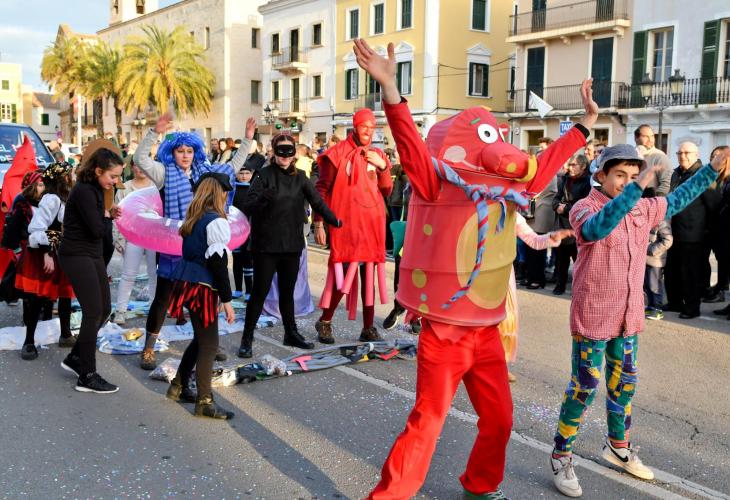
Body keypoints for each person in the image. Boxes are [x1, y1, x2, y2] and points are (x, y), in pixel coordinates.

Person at [353, 38, 596, 499]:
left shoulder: (510, 189)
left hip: (486, 329)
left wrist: (585, 124)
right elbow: (408, 143)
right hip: (445, 331)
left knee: (501, 419)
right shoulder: (435, 183)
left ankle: (480, 485)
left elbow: (546, 163)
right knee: (428, 421)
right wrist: (390, 90)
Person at [549, 144, 729, 497]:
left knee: (624, 385)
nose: (628, 183)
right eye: (621, 176)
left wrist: (711, 169)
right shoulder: (584, 209)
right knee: (584, 386)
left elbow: (677, 199)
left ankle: (618, 447)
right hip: (593, 317)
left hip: (628, 317)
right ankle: (561, 454)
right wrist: (640, 183)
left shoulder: (644, 209)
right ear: (600, 175)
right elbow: (600, 228)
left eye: (634, 177)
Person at [133, 113, 255, 370]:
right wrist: (154, 132)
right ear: (172, 152)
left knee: (205, 296)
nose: (186, 155)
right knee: (163, 299)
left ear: (196, 152)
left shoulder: (205, 171)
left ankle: (209, 342)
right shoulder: (163, 172)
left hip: (200, 246)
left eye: (189, 150)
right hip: (172, 246)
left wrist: (247, 140)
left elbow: (232, 168)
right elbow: (140, 159)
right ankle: (148, 348)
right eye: (180, 151)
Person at [238, 134, 340, 358]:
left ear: (294, 153)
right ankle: (247, 338)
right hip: (266, 246)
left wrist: (333, 220)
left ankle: (291, 333)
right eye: (280, 151)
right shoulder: (263, 175)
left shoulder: (302, 177)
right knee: (259, 293)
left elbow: (317, 201)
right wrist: (263, 197)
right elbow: (248, 206)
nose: (285, 156)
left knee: (288, 292)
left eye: (289, 151)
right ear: (273, 152)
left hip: (292, 244)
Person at [314, 108, 393, 344]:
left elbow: (386, 190)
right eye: (364, 127)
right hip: (346, 224)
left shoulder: (378, 153)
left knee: (368, 275)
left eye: (372, 127)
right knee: (344, 274)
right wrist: (319, 223)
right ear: (355, 126)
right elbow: (321, 189)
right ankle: (325, 320)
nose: (368, 131)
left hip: (372, 224)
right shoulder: (336, 153)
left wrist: (383, 167)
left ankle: (368, 327)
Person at [166, 174, 236, 419]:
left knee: (200, 339)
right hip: (202, 287)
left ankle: (179, 385)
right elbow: (218, 266)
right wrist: (227, 301)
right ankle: (204, 401)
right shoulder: (216, 222)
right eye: (225, 192)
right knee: (209, 344)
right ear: (219, 193)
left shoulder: (194, 218)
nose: (227, 196)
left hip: (187, 281)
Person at [58, 145, 124, 393]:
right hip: (76, 254)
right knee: (93, 311)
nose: (116, 181)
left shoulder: (95, 188)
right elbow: (97, 229)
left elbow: (96, 222)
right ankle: (87, 375)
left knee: (104, 309)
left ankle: (76, 358)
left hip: (91, 253)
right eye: (113, 176)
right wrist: (107, 218)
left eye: (118, 176)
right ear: (97, 171)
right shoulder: (85, 191)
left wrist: (107, 213)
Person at [15, 163, 75, 360]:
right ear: (62, 178)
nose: (72, 177)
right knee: (37, 298)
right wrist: (47, 252)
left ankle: (65, 334)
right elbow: (36, 229)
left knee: (65, 295)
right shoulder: (51, 199)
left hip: (62, 253)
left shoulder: (65, 198)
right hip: (46, 254)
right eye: (69, 174)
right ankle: (29, 342)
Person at [502, 215, 572, 381]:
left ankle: (499, 365)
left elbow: (533, 239)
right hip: (469, 276)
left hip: (502, 276)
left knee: (506, 322)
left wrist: (552, 237)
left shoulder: (512, 213)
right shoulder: (468, 206)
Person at [663, 141, 720, 319]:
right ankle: (675, 302)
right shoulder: (676, 173)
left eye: (687, 153)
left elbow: (714, 206)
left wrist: (707, 232)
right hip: (674, 232)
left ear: (696, 154)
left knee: (691, 274)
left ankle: (692, 308)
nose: (683, 156)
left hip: (694, 234)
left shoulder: (703, 175)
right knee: (672, 271)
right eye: (679, 153)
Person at [112, 162, 158, 325]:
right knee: (128, 274)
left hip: (154, 237)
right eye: (137, 166)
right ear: (132, 168)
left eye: (144, 165)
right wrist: (117, 238)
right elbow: (117, 215)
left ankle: (155, 309)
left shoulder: (156, 185)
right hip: (133, 236)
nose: (141, 169)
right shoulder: (125, 188)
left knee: (154, 274)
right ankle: (120, 310)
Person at [551, 154, 591, 295]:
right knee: (561, 260)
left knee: (578, 261)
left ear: (583, 166)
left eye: (574, 165)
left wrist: (566, 208)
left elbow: (584, 203)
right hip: (562, 224)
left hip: (577, 227)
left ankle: (579, 289)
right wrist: (557, 206)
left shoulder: (587, 182)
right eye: (570, 164)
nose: (570, 167)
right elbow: (555, 198)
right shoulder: (564, 180)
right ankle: (560, 285)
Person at [231, 166, 253, 300]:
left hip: (250, 231)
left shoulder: (254, 189)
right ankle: (238, 289)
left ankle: (249, 291)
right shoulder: (232, 190)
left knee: (248, 260)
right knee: (236, 260)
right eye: (241, 173)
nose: (244, 176)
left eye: (247, 173)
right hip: (236, 231)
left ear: (251, 174)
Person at [644, 219, 672, 320]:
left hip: (655, 260)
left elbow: (668, 240)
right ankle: (651, 306)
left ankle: (657, 308)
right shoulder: (647, 217)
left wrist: (651, 250)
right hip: (645, 259)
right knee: (647, 285)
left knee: (654, 285)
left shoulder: (662, 221)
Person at [634, 124, 671, 196]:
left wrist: (655, 202)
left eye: (652, 136)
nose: (650, 140)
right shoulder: (632, 155)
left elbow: (666, 184)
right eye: (646, 136)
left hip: (650, 203)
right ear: (636, 138)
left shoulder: (660, 156)